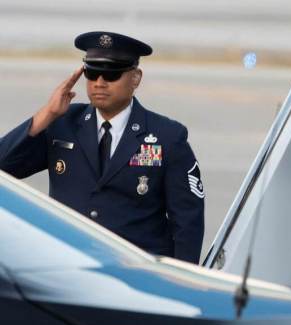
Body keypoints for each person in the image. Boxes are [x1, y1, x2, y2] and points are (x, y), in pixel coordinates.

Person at [0, 32, 204, 262]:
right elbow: (3, 167)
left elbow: (187, 222)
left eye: (111, 73)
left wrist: (180, 283)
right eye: (92, 72)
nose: (100, 82)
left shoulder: (167, 136)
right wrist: (46, 115)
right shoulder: (61, 124)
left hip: (136, 276)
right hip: (67, 266)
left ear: (136, 78)